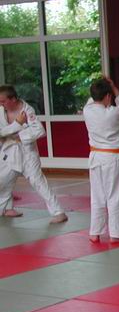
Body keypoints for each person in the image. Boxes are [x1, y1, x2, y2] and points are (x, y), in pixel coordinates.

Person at [0, 85, 68, 223]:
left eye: (3, 101)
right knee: (3, 180)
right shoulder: (1, 111)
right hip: (9, 152)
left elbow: (40, 131)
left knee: (38, 182)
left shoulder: (27, 110)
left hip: (27, 154)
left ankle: (58, 212)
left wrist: (20, 136)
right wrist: (17, 125)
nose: (1, 104)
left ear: (13, 99)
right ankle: (7, 208)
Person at [83, 77, 119, 242]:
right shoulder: (113, 113)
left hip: (95, 157)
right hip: (113, 157)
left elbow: (94, 99)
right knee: (115, 194)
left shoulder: (87, 110)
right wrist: (114, 87)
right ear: (108, 96)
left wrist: (103, 87)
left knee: (97, 195)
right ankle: (116, 233)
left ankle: (95, 232)